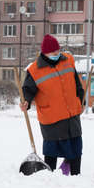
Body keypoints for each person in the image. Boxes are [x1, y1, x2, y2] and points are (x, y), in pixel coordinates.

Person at [19, 34, 85, 175]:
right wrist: (26, 101)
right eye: (53, 52)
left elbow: (77, 84)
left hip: (72, 115)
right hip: (51, 119)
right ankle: (49, 178)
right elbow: (28, 90)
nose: (56, 53)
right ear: (45, 53)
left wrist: (81, 100)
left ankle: (76, 177)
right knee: (52, 151)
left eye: (58, 50)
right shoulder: (35, 70)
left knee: (75, 149)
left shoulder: (68, 61)